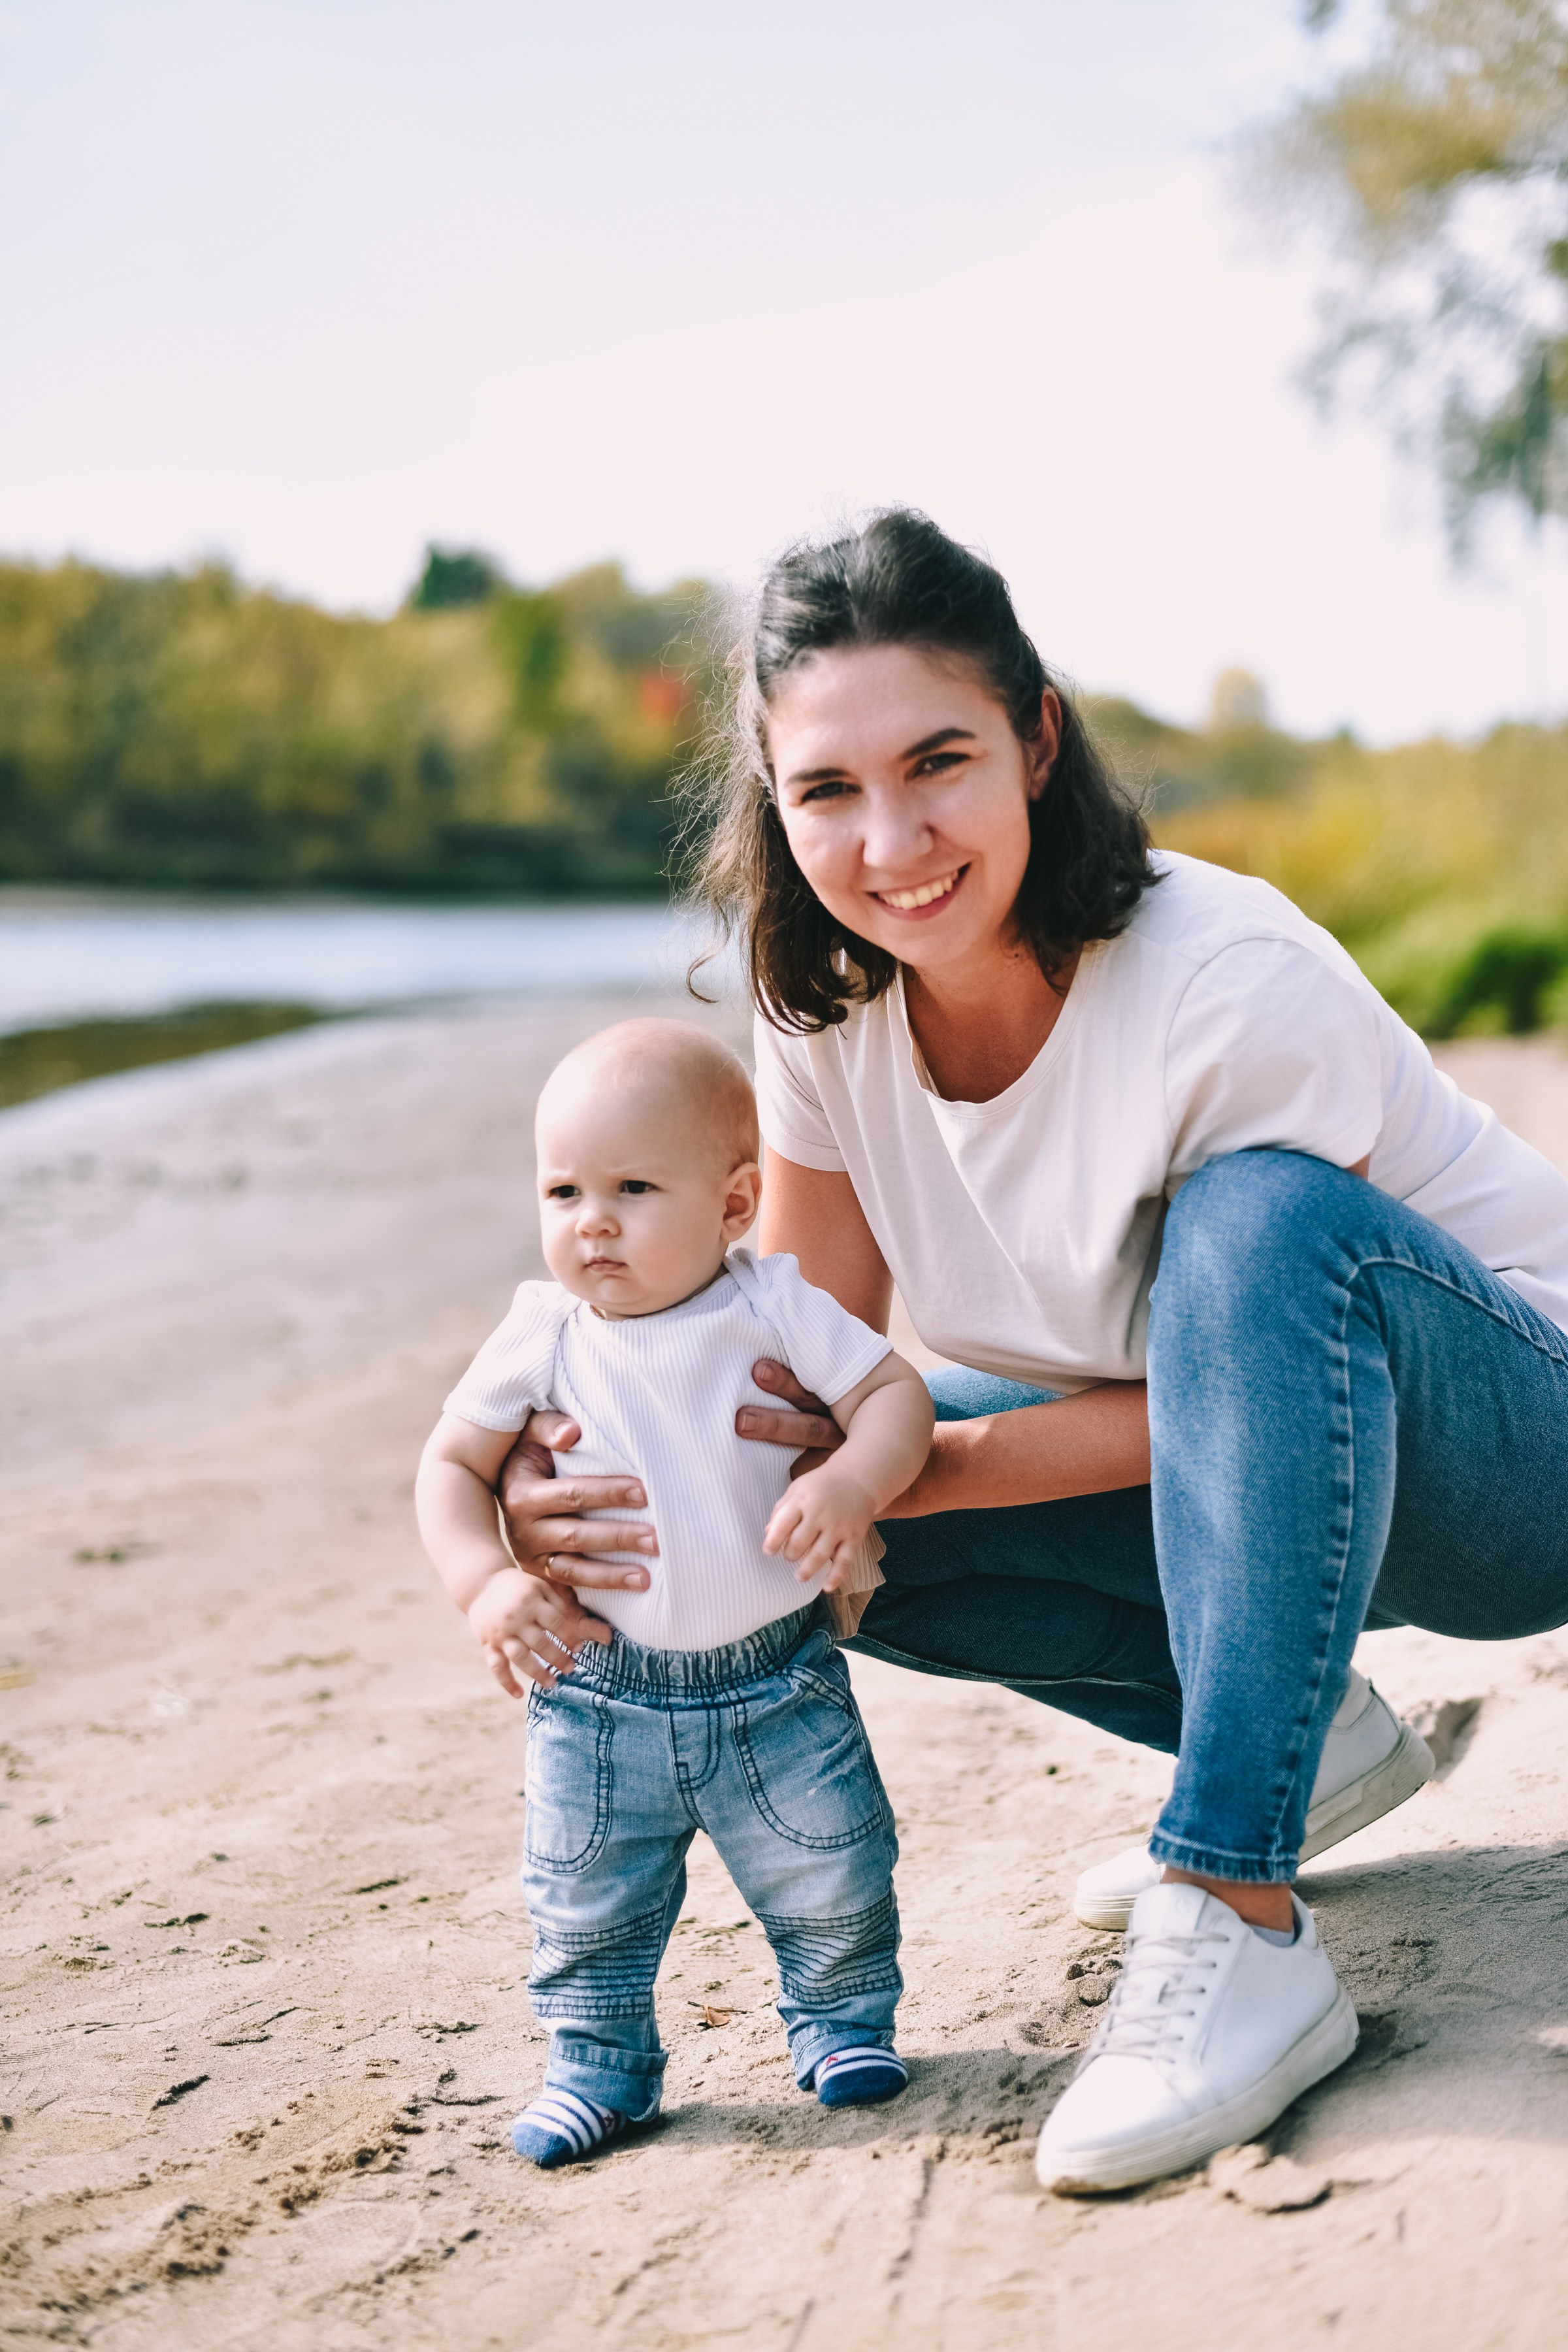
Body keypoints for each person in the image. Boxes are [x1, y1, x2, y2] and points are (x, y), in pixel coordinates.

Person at [493, 511, 1568, 2194]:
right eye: (827, 791)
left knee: (1256, 1230)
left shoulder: (1224, 982)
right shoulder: (827, 1018)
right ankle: (1310, 1737)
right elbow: (787, 1370)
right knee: (805, 1509)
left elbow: (1279, 1362)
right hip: (1276, 1498)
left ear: (1036, 741)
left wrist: (925, 1466)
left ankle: (1238, 1904)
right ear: (774, 805)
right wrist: (570, 1504)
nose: (893, 839)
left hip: (1513, 1459)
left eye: (939, 763)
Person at [416, 1019, 934, 2168]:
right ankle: (600, 2068)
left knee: (833, 1867)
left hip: (778, 1682)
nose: (590, 1222)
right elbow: (447, 1467)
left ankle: (842, 2025)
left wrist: (853, 1480)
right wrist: (483, 1582)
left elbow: (896, 1393)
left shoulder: (772, 1301)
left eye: (634, 1187)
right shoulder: (541, 1333)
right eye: (563, 1191)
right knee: (584, 1899)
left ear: (736, 1201)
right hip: (600, 1700)